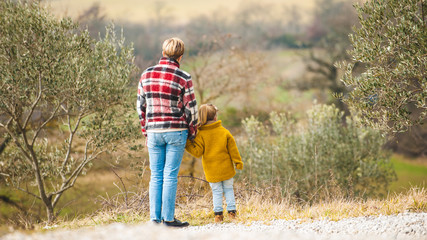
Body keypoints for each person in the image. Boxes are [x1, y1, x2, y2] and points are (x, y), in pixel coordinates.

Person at [137, 37, 198, 227]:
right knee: (170, 175)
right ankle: (169, 219)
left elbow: (141, 107)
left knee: (156, 174)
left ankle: (154, 219)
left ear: (163, 53)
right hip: (176, 130)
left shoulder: (146, 75)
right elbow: (191, 110)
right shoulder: (183, 77)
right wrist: (193, 131)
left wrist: (145, 131)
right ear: (180, 57)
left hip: (154, 131)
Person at [185, 103, 243, 223]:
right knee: (229, 189)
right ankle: (232, 213)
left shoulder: (200, 134)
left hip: (212, 171)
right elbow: (233, 149)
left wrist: (187, 143)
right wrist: (238, 162)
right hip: (227, 169)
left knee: (216, 192)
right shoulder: (224, 132)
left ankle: (218, 216)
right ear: (215, 117)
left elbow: (197, 152)